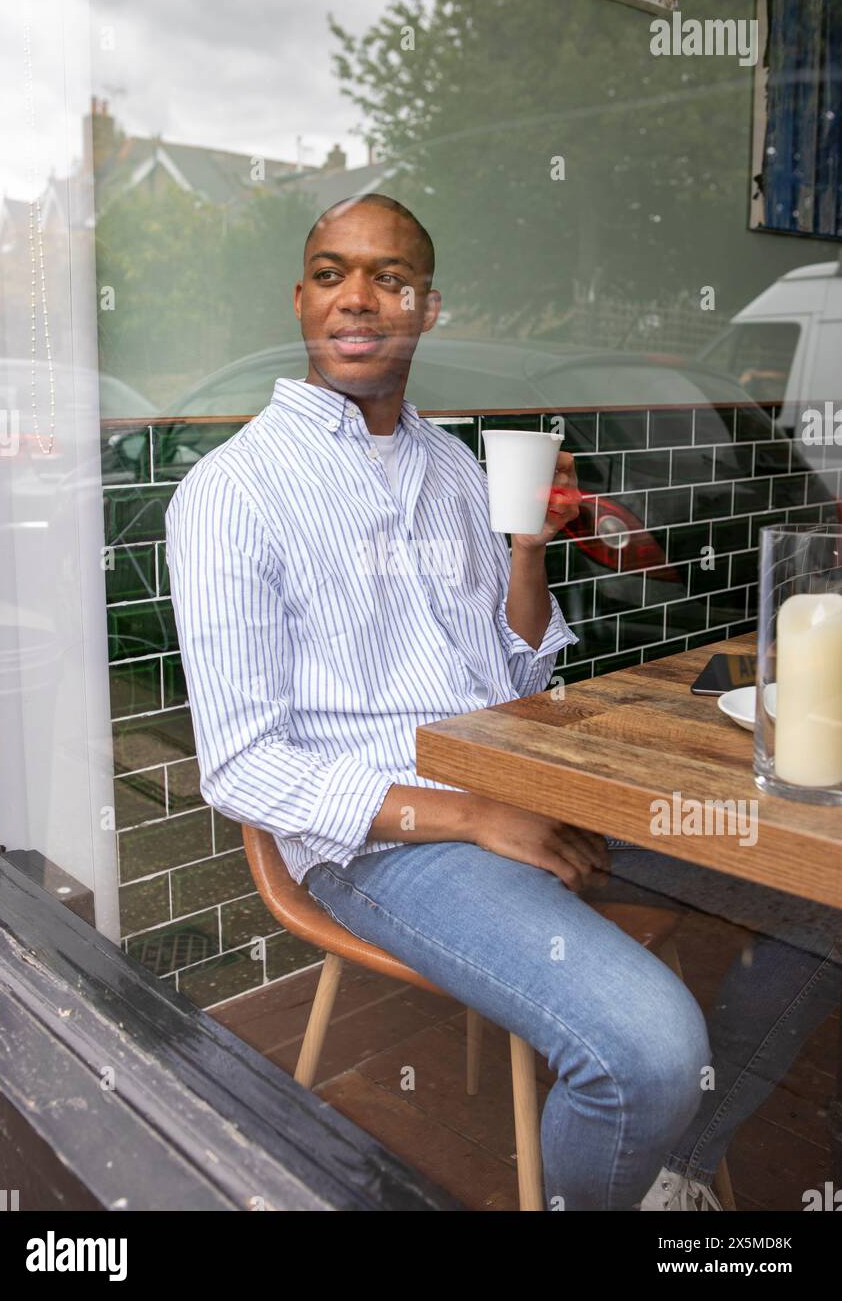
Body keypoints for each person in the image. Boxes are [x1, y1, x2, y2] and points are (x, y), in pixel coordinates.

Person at [165, 193, 841, 1211]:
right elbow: (243, 768)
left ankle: (665, 1172)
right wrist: (478, 816)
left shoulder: (449, 466)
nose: (358, 299)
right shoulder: (233, 492)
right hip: (378, 838)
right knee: (650, 1049)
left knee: (814, 906)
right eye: (330, 272)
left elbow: (511, 678)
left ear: (427, 307)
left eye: (389, 278)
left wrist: (526, 545)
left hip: (520, 785)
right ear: (298, 297)